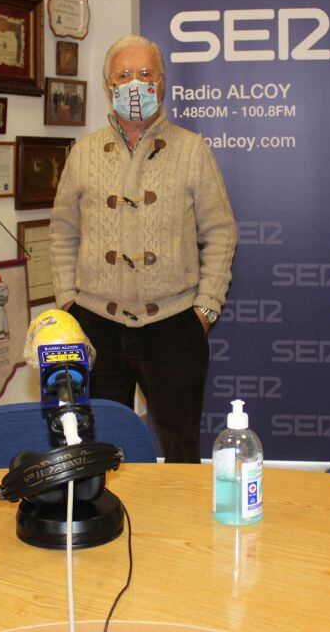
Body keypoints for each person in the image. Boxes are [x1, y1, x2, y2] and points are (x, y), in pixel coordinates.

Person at [49, 35, 237, 463]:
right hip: (96, 324)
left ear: (162, 82)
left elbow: (221, 232)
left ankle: (180, 511)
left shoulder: (192, 150)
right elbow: (62, 231)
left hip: (174, 325)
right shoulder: (84, 152)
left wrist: (206, 308)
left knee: (181, 450)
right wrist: (68, 302)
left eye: (145, 73)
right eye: (123, 75)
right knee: (96, 448)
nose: (134, 84)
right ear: (109, 86)